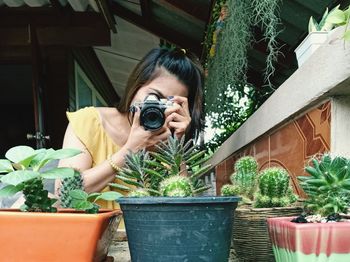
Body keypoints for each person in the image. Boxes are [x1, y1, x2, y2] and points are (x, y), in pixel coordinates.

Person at [55, 47, 204, 209]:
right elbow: (63, 194)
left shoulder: (167, 141)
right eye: (154, 96)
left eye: (169, 104)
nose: (157, 107)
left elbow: (183, 211)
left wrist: (176, 149)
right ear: (136, 85)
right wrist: (130, 150)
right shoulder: (89, 122)